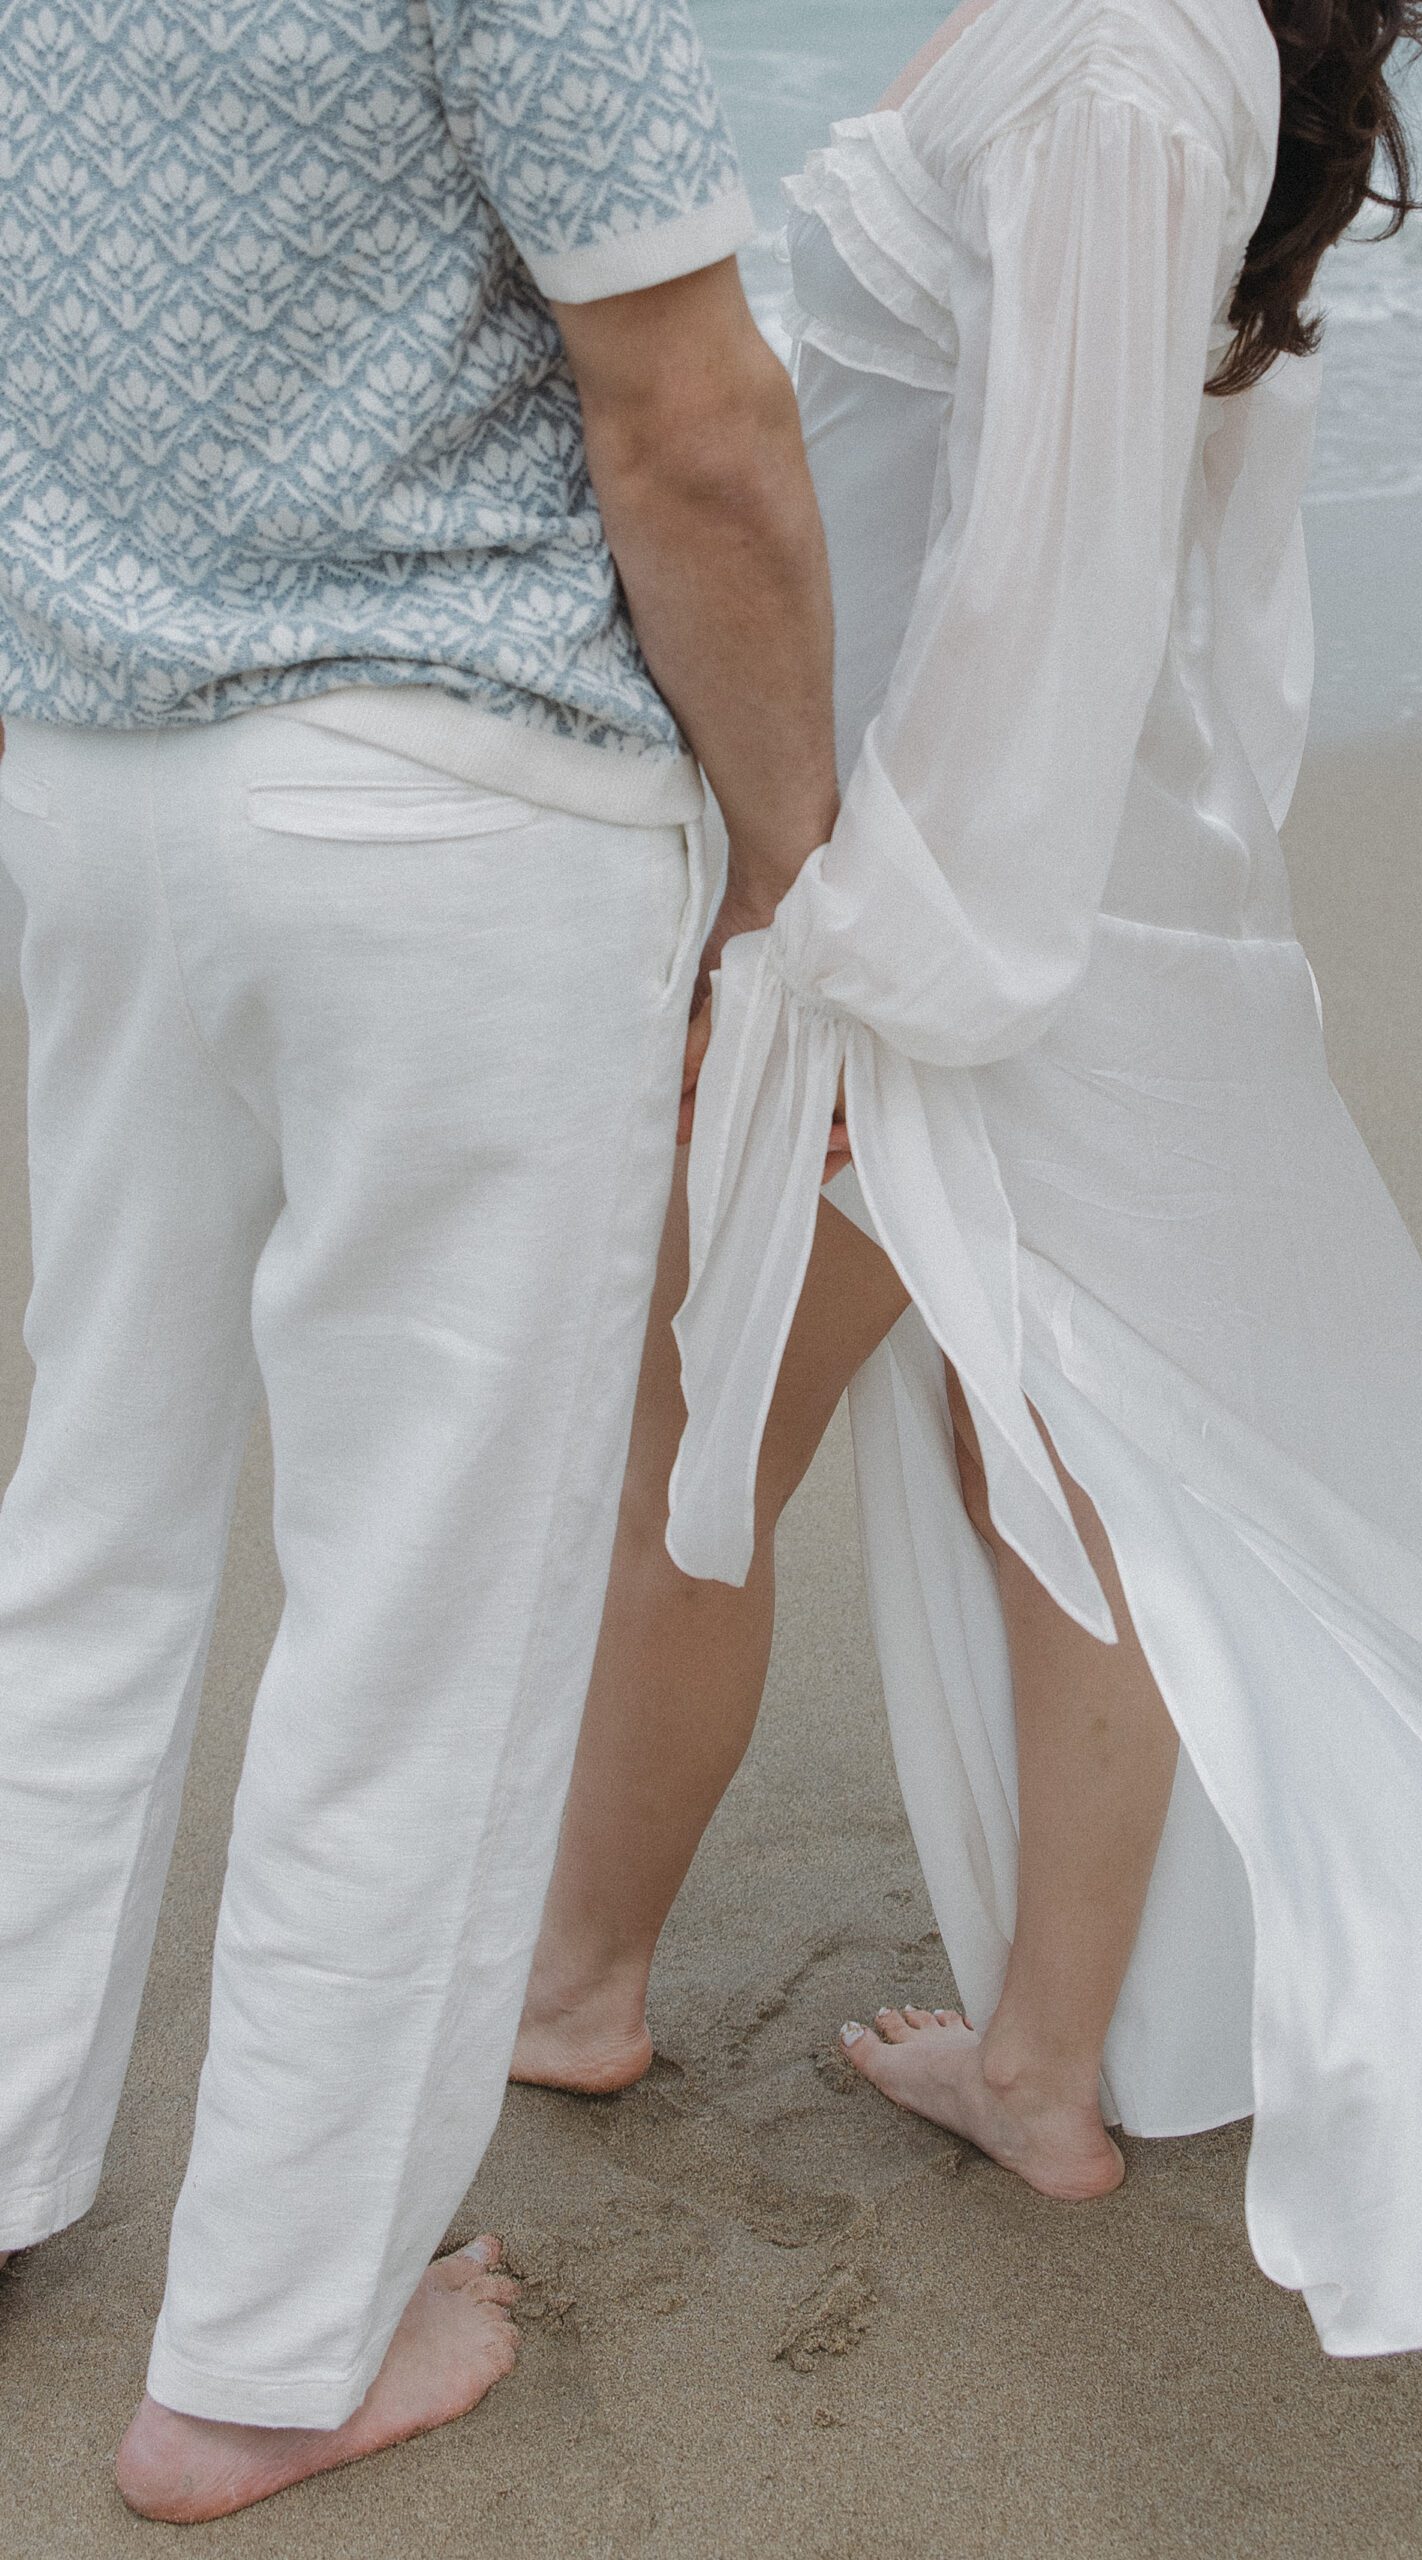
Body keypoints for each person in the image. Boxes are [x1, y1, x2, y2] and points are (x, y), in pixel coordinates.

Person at [515, 0, 1422, 2484]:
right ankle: (1037, 2061)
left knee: (704, 1432)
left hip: (965, 906)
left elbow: (1062, 558)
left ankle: (579, 1989)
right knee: (1042, 1460)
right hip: (1009, 888)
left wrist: (866, 944)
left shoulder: (1123, 55)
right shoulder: (1135, 36)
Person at [0, 0, 838, 2524]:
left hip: (90, 770)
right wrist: (793, 857)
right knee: (423, 1601)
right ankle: (271, 2352)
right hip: (449, 807)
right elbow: (691, 420)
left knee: (87, 1523)